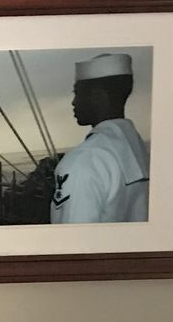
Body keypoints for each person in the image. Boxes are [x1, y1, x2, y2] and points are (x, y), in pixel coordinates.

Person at [49, 53, 149, 224]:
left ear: (98, 97)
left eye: (77, 93)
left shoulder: (83, 161)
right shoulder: (139, 150)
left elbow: (74, 242)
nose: (73, 102)